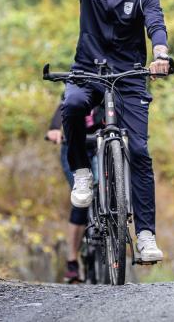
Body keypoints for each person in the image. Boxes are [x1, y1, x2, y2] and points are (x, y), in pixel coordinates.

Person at [38, 0, 171, 262]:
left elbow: (156, 24)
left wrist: (160, 54)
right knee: (72, 105)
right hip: (88, 71)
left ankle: (144, 236)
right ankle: (83, 173)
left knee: (140, 152)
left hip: (129, 77)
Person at [46, 102, 102, 283]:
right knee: (81, 199)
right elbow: (63, 106)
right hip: (75, 147)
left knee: (106, 187)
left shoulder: (110, 88)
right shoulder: (77, 88)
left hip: (101, 146)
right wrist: (55, 128)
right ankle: (72, 261)